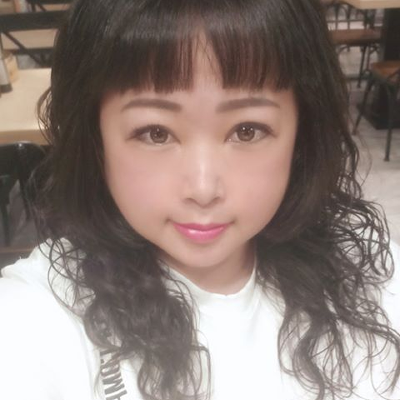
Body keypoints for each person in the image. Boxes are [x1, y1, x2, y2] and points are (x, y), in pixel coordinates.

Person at [0, 0, 399, 399]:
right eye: (156, 133)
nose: (203, 189)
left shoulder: (375, 279)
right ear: (95, 137)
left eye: (247, 130)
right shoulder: (38, 314)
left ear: (302, 132)